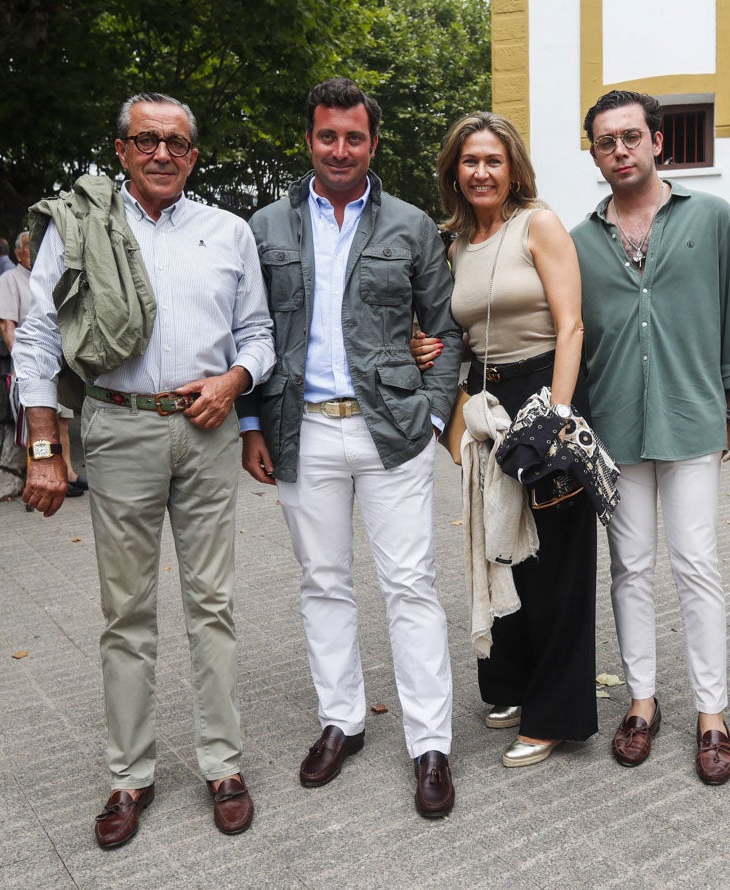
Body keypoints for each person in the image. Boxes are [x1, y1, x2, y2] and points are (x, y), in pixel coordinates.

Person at [13, 91, 275, 843]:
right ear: (122, 150)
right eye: (146, 140)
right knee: (126, 615)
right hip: (118, 428)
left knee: (212, 604)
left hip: (207, 432)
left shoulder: (228, 232)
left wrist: (234, 382)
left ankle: (222, 764)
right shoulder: (81, 227)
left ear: (194, 155)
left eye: (177, 143)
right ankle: (129, 776)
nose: (162, 153)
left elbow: (257, 333)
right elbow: (36, 339)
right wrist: (43, 448)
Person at [239, 78, 463, 818]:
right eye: (327, 136)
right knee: (323, 582)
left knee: (410, 585)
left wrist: (432, 416)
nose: (340, 149)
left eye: (354, 137)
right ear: (308, 139)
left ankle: (430, 743)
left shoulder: (409, 226)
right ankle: (341, 720)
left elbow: (446, 326)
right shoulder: (265, 228)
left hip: (391, 432)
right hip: (301, 430)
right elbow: (246, 330)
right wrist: (251, 426)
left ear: (373, 142)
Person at [570, 90, 730, 783]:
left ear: (656, 142)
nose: (619, 150)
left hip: (692, 416)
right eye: (605, 141)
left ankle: (712, 713)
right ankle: (641, 701)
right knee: (630, 570)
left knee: (696, 566)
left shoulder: (711, 216)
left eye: (630, 137)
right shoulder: (580, 239)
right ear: (594, 152)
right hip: (614, 426)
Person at [430, 111, 597, 767]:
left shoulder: (540, 224)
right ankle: (512, 684)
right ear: (454, 171)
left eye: (491, 160)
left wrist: (557, 415)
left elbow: (573, 324)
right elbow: (459, 332)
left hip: (544, 392)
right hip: (487, 401)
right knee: (503, 546)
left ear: (512, 168)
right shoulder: (457, 243)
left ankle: (555, 713)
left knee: (557, 561)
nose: (480, 172)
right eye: (469, 161)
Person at [0, 231, 86, 495]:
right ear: (18, 253)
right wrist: (26, 366)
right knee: (40, 421)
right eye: (28, 246)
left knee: (64, 421)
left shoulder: (51, 274)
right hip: (33, 365)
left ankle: (68, 472)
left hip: (61, 366)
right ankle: (42, 476)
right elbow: (6, 324)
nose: (35, 250)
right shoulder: (10, 278)